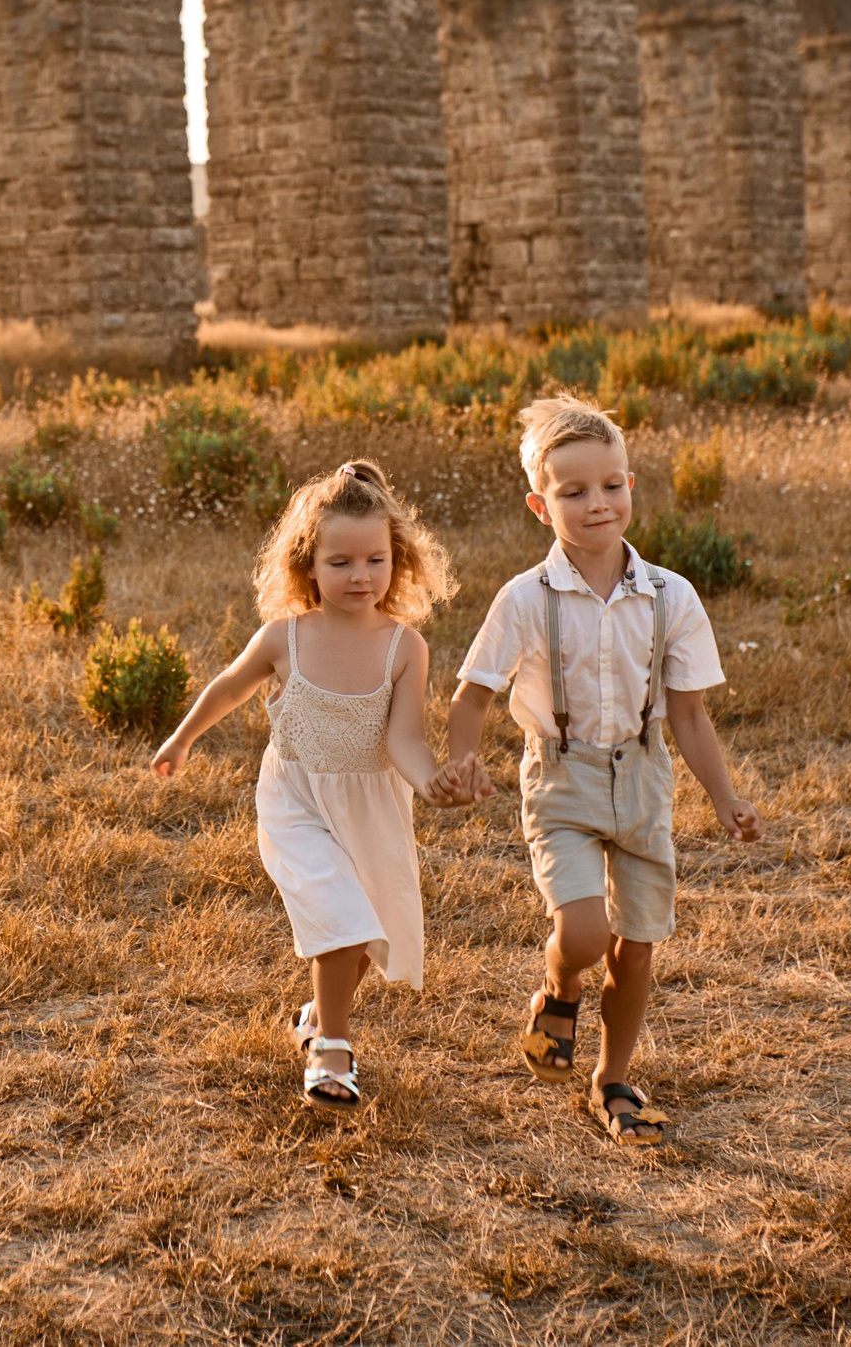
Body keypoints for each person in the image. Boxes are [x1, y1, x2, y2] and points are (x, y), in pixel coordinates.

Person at [433, 396, 762, 1146]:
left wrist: (726, 798)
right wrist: (461, 760)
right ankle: (558, 990)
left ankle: (611, 1079)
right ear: (540, 506)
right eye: (574, 491)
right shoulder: (525, 598)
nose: (598, 504)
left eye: (611, 485)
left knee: (636, 944)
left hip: (642, 778)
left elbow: (689, 715)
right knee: (583, 935)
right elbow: (473, 693)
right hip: (562, 777)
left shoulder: (671, 595)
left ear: (631, 485)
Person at [151, 461, 456, 1110]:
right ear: (307, 565)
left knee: (365, 930)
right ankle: (332, 1050)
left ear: (397, 560)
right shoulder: (284, 638)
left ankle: (318, 1013)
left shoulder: (404, 647)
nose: (360, 575)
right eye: (340, 562)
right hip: (297, 801)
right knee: (339, 917)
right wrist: (182, 739)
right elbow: (229, 687)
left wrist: (432, 781)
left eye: (375, 560)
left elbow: (405, 738)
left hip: (372, 806)